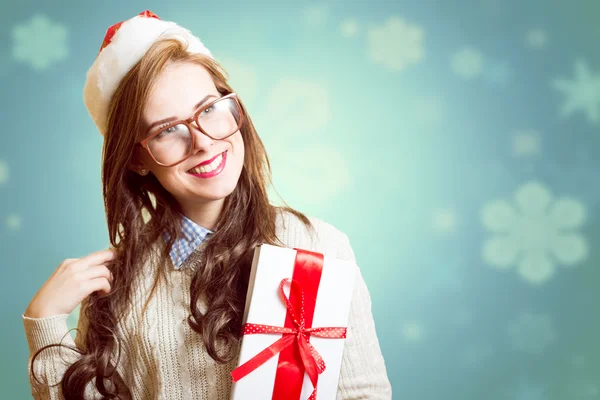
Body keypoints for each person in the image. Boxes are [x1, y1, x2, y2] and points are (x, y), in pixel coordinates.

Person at [22, 10, 392, 400]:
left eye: (209, 109)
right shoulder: (114, 288)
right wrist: (44, 320)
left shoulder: (318, 246)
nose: (202, 141)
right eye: (167, 130)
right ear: (136, 159)